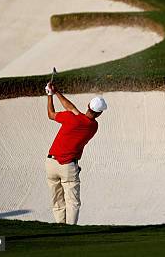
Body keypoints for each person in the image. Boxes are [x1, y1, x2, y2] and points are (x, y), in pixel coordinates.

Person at [44, 82, 107, 225]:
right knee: (72, 202)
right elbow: (72, 109)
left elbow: (51, 114)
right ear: (99, 113)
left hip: (51, 163)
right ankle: (70, 228)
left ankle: (59, 227)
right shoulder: (93, 126)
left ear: (88, 105)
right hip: (68, 167)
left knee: (57, 200)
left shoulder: (71, 117)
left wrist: (50, 95)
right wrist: (57, 92)